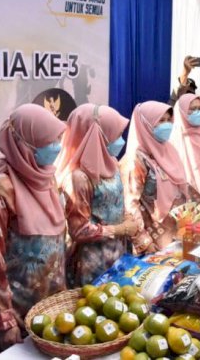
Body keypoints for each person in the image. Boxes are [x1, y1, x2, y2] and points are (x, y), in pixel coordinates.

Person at [0, 104, 67, 355]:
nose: (57, 145)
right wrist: (5, 322)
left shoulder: (44, 176)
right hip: (17, 315)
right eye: (50, 140)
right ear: (26, 143)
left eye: (58, 138)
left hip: (51, 306)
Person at [57, 104, 137, 287]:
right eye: (115, 136)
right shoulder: (78, 177)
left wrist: (126, 219)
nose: (120, 141)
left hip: (118, 254)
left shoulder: (112, 163)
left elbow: (116, 202)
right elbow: (79, 230)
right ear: (95, 136)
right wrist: (119, 229)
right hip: (92, 263)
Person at [121, 101, 197, 254]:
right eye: (161, 121)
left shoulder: (169, 151)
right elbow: (130, 206)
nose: (167, 125)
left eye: (169, 120)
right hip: (153, 238)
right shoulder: (135, 160)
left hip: (178, 231)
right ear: (146, 124)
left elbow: (182, 188)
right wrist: (143, 241)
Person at [170, 94, 200, 207]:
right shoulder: (172, 136)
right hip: (179, 194)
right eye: (193, 109)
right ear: (182, 111)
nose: (198, 112)